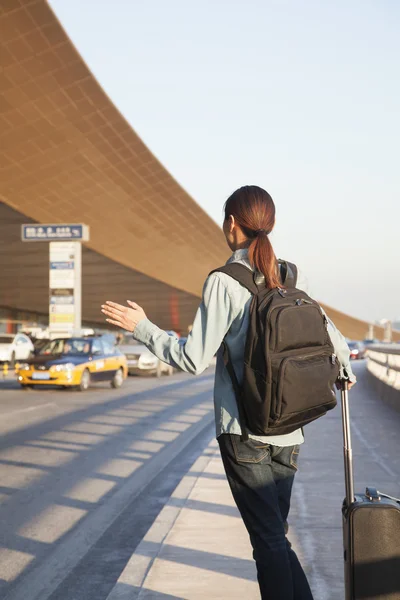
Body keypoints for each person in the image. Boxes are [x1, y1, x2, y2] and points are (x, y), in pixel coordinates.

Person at [101, 185, 356, 600]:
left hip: (245, 431)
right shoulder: (291, 274)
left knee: (268, 541)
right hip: (291, 431)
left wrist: (141, 327)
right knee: (275, 535)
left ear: (232, 223)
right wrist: (344, 367)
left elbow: (193, 358)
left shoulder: (224, 281)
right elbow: (327, 331)